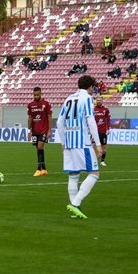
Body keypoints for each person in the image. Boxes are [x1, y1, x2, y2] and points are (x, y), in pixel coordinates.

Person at [59, 75, 105, 219]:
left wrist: (63, 142)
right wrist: (98, 145)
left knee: (73, 176)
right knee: (94, 173)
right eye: (93, 86)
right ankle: (76, 203)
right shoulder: (87, 99)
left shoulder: (68, 98)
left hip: (69, 143)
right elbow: (91, 122)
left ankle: (74, 208)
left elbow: (60, 122)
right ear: (90, 86)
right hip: (82, 142)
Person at [27, 86, 53, 176]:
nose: (36, 96)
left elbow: (49, 117)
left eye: (37, 94)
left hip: (43, 130)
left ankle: (38, 169)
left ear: (41, 94)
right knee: (38, 148)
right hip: (35, 130)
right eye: (34, 95)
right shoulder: (30, 105)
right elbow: (30, 117)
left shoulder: (46, 104)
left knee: (40, 146)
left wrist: (49, 130)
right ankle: (44, 168)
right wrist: (29, 130)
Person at [93, 96, 111, 166]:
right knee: (93, 146)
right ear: (96, 101)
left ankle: (102, 161)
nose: (99, 101)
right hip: (94, 131)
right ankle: (93, 160)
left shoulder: (106, 109)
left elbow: (108, 119)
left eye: (100, 100)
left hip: (103, 131)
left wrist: (108, 128)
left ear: (102, 101)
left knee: (104, 147)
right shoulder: (93, 109)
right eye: (97, 100)